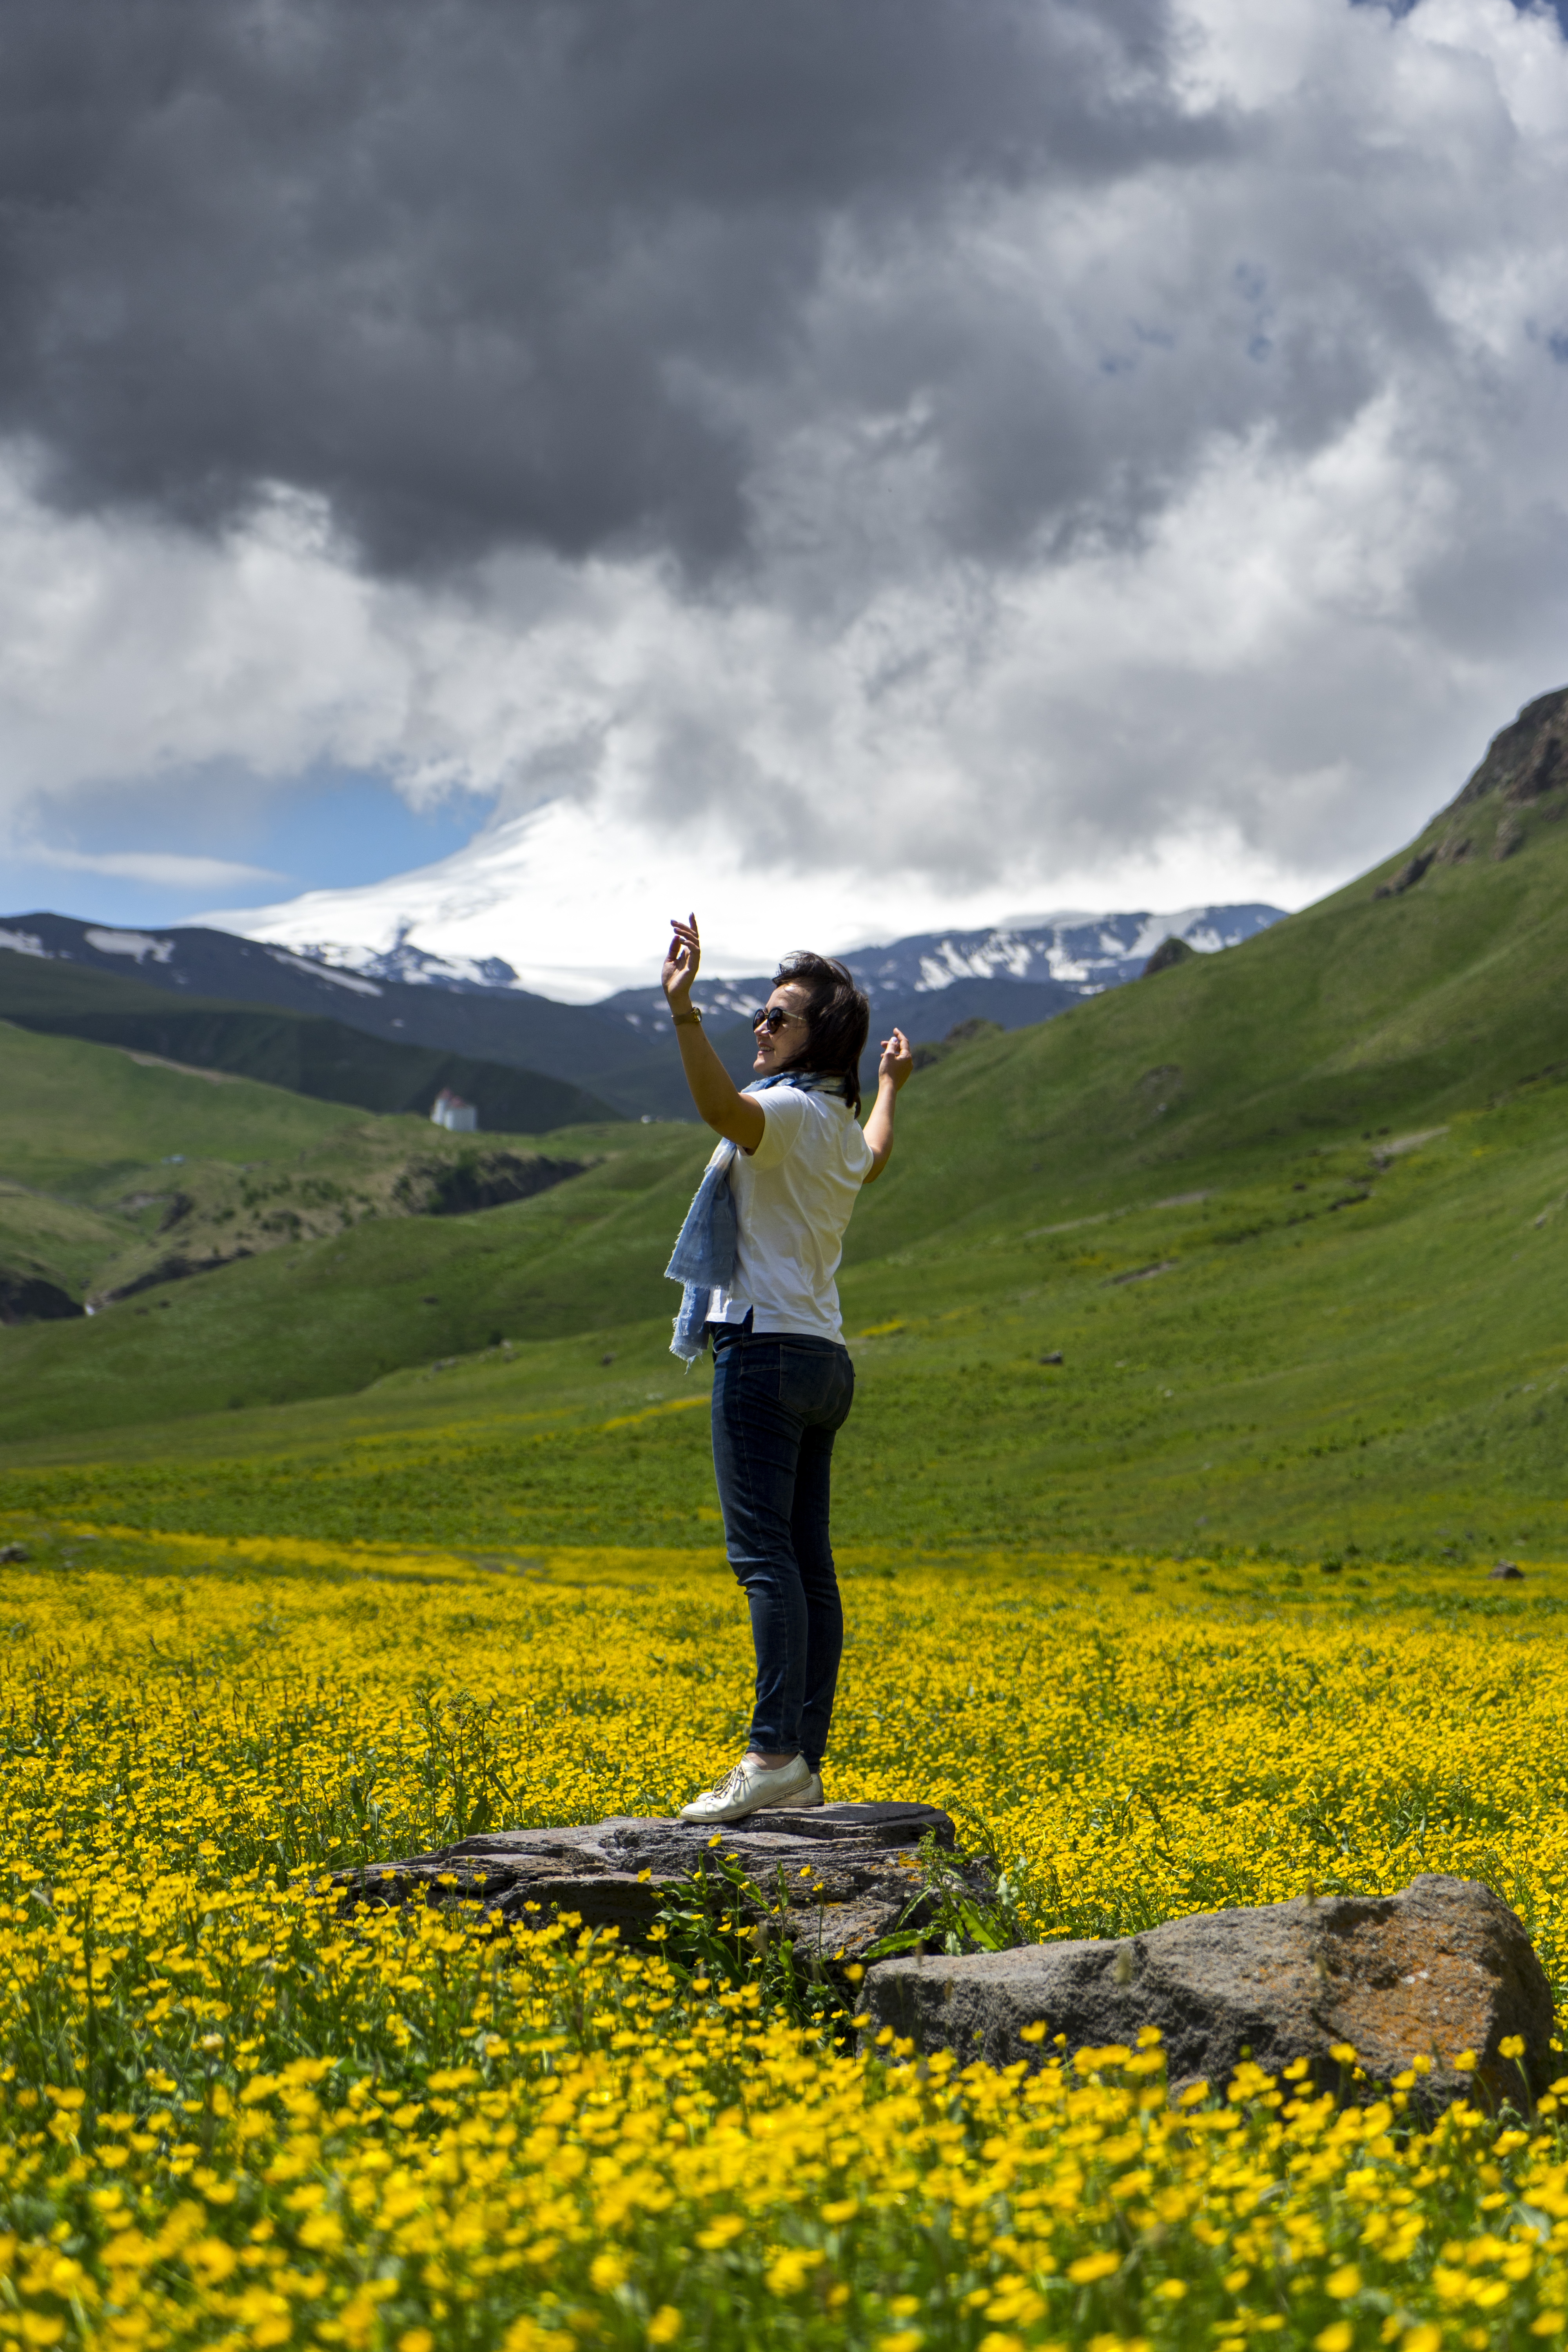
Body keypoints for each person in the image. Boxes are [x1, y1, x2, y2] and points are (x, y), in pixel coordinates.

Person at [660, 911, 913, 1824]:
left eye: (777, 1018)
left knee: (765, 1560)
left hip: (760, 1351)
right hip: (824, 1360)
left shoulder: (784, 1113)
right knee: (808, 1566)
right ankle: (801, 1756)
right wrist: (888, 1085)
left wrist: (684, 1012)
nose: (759, 1029)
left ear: (818, 1037)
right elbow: (877, 1158)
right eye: (757, 1017)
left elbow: (717, 1110)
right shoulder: (839, 1125)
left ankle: (771, 1756)